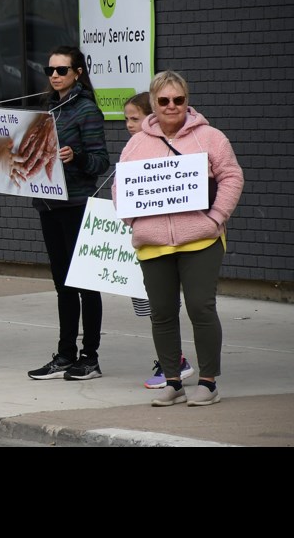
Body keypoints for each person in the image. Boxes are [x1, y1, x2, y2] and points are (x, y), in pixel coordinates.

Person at [113, 71, 243, 406]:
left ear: (187, 100)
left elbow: (231, 176)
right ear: (154, 103)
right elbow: (121, 185)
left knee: (201, 306)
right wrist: (133, 219)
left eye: (179, 100)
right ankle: (172, 380)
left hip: (200, 239)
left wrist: (216, 217)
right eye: (164, 100)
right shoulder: (136, 143)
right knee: (162, 312)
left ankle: (208, 382)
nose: (172, 106)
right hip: (153, 242)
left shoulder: (211, 137)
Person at [25, 46, 110, 381]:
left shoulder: (86, 110)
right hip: (49, 205)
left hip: (76, 204)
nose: (55, 76)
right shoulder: (48, 109)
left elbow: (101, 162)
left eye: (62, 70)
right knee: (62, 284)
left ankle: (90, 357)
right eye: (50, 71)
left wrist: (75, 157)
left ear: (78, 72)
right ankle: (65, 353)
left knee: (85, 284)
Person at [123, 92, 195, 389]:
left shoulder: (171, 147)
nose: (129, 124)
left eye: (134, 118)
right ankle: (169, 360)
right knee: (152, 307)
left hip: (175, 239)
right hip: (148, 237)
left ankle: (175, 362)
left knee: (165, 306)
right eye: (126, 119)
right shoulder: (135, 147)